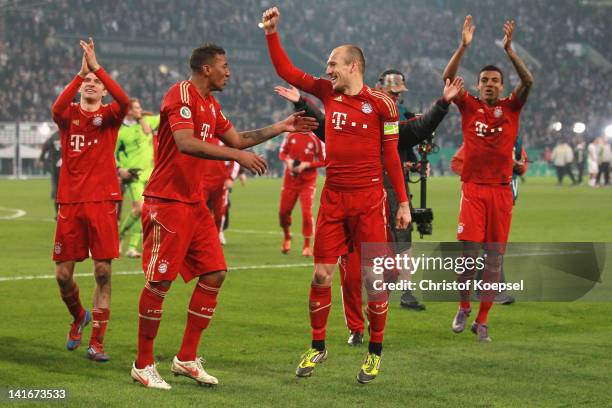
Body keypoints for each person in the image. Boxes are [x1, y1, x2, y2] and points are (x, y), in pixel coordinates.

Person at [130, 43, 317, 390]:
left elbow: (238, 139)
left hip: (193, 202)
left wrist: (283, 126)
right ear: (206, 69)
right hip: (166, 200)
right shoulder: (180, 95)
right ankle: (142, 364)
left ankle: (186, 358)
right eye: (224, 66)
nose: (229, 72)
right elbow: (185, 142)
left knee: (215, 273)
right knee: (160, 282)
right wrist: (233, 154)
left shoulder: (210, 105)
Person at [262, 7, 411, 384]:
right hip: (333, 198)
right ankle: (318, 346)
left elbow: (391, 156)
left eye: (333, 64)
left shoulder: (383, 104)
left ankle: (374, 353)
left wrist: (404, 204)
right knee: (321, 275)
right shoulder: (328, 92)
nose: (327, 70)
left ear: (353, 66)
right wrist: (271, 33)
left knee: (374, 280)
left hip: (368, 201)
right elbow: (288, 72)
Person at [275, 72, 463, 347]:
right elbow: (324, 126)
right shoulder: (350, 119)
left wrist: (442, 104)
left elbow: (420, 127)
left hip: (387, 204)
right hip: (354, 204)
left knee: (390, 269)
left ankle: (386, 304)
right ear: (376, 91)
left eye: (399, 95)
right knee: (351, 272)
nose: (396, 98)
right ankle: (356, 327)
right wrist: (301, 103)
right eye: (392, 93)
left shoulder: (393, 126)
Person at [443, 16, 533, 342]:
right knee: (469, 257)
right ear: (478, 86)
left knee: (494, 259)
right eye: (485, 80)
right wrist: (463, 46)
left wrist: (509, 50)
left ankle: (482, 320)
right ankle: (464, 306)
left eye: (496, 80)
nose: (490, 84)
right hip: (473, 191)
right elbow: (448, 77)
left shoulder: (512, 108)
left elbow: (529, 80)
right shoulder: (468, 107)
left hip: (501, 194)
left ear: (502, 85)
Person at [51, 38, 129, 361]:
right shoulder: (68, 116)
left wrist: (97, 67)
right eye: (89, 82)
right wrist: (79, 75)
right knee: (63, 275)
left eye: (98, 82)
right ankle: (78, 316)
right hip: (70, 202)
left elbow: (124, 100)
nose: (93, 85)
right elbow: (55, 108)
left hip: (102, 202)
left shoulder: (111, 116)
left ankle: (97, 342)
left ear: (104, 89)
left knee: (102, 272)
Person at [115, 98, 160, 258]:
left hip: (150, 174)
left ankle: (131, 247)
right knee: (140, 209)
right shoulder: (120, 132)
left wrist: (142, 117)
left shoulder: (147, 121)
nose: (139, 109)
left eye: (140, 107)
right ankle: (120, 237)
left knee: (143, 211)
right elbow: (112, 154)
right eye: (135, 107)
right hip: (133, 175)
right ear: (128, 111)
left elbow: (165, 117)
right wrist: (120, 169)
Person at [277, 122, 325, 256]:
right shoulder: (290, 135)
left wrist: (306, 165)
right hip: (290, 181)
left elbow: (324, 160)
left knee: (306, 213)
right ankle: (287, 236)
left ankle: (307, 246)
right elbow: (282, 153)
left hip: (307, 183)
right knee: (283, 213)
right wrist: (288, 161)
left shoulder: (316, 139)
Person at [38, 130, 62, 217]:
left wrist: (41, 159)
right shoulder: (68, 134)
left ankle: (58, 214)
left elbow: (45, 147)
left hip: (57, 168)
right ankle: (60, 214)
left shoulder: (53, 137)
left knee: (57, 192)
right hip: (63, 169)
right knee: (61, 192)